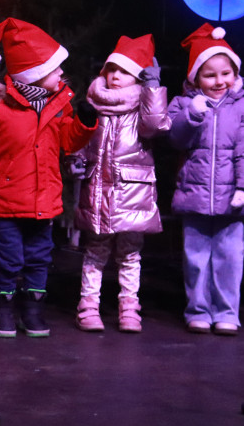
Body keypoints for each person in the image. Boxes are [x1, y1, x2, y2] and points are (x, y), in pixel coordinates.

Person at [0, 18, 97, 338]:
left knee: (38, 258)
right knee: (8, 259)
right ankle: (2, 310)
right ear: (34, 75)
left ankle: (33, 310)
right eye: (55, 69)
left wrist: (85, 124)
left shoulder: (57, 107)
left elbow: (68, 141)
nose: (62, 74)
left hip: (43, 200)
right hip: (7, 201)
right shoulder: (0, 107)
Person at [69, 34, 169, 333]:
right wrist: (76, 157)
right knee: (95, 250)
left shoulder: (144, 103)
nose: (114, 76)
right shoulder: (94, 102)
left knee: (129, 253)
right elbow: (82, 135)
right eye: (111, 69)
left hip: (132, 190)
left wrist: (153, 89)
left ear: (138, 76)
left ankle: (129, 306)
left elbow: (155, 126)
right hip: (98, 187)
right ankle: (88, 306)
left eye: (123, 71)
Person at [168, 24, 244, 336]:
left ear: (235, 72)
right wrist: (192, 115)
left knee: (229, 259)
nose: (220, 81)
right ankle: (197, 310)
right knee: (195, 259)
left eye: (226, 73)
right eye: (210, 75)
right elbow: (176, 140)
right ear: (196, 77)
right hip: (194, 195)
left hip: (231, 198)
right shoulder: (183, 103)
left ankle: (226, 312)